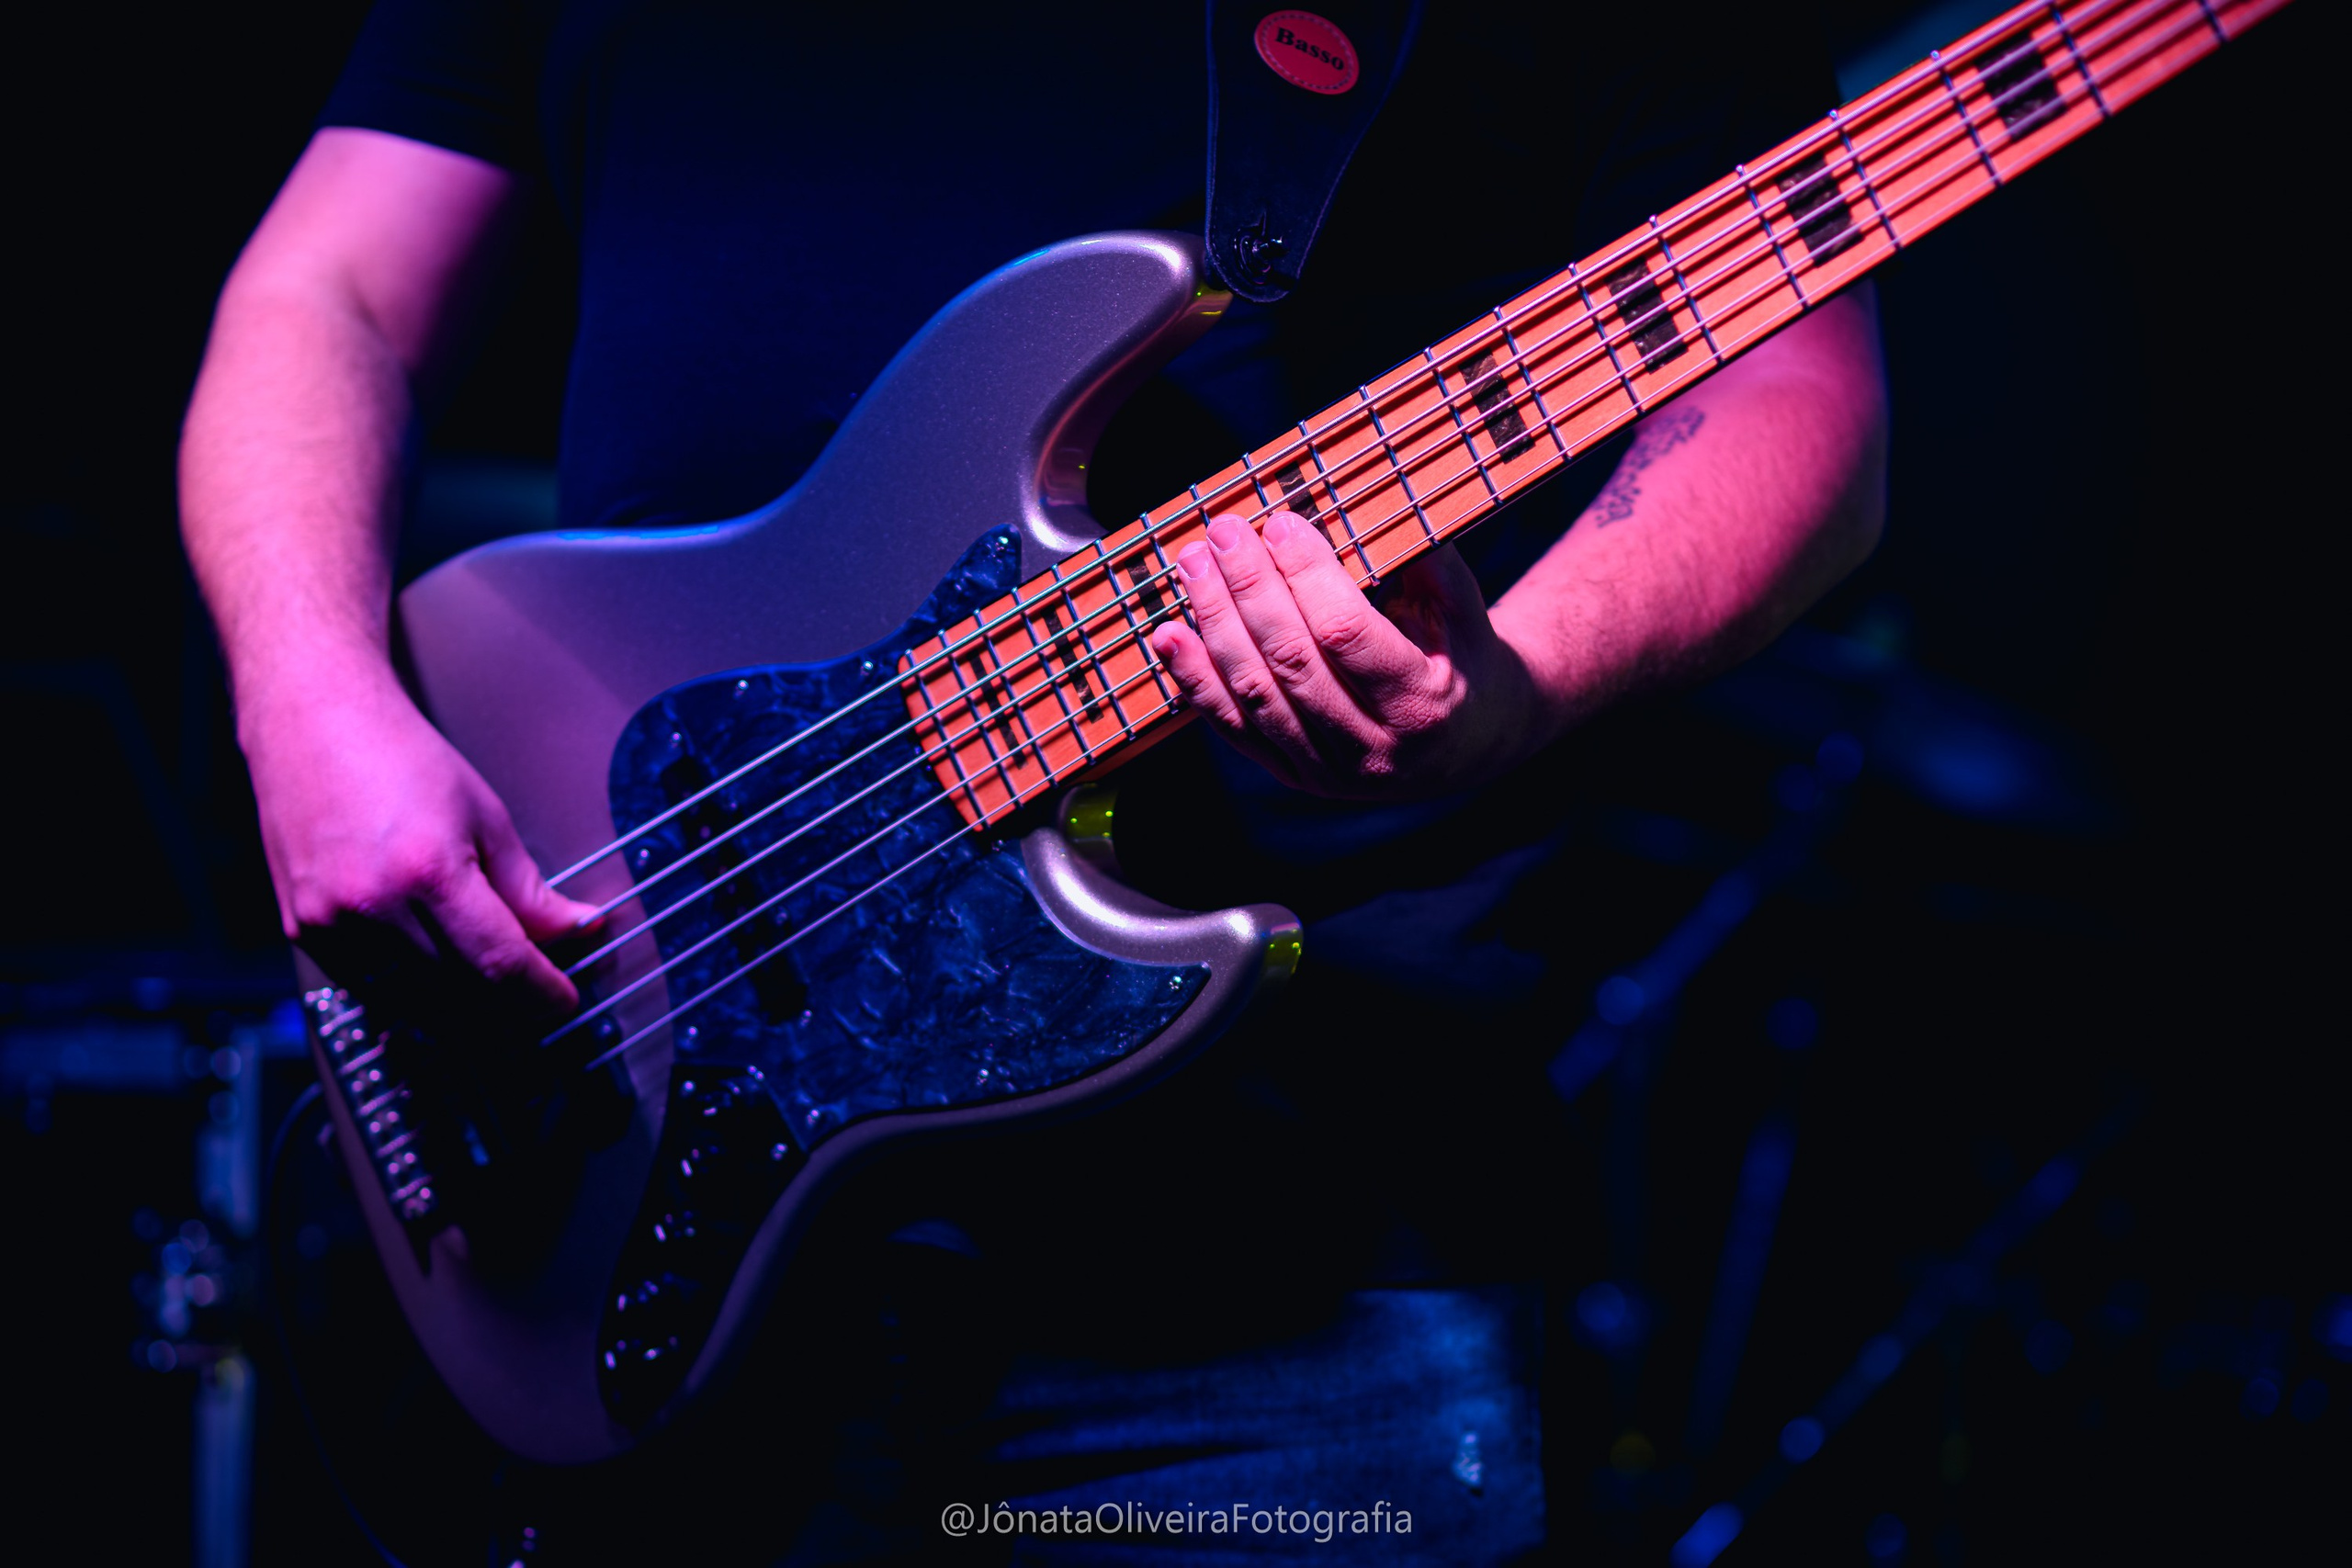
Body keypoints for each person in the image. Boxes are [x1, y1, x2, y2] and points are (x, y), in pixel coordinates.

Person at [181, 5, 1886, 1561]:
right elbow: (325, 292)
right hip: (618, 1132)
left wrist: (1522, 688)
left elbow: (1794, 378)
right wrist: (311, 711)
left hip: (1282, 1271)